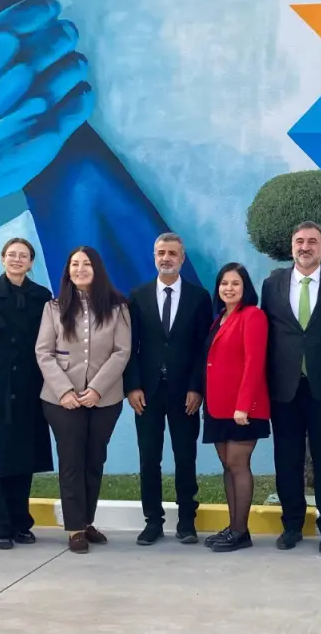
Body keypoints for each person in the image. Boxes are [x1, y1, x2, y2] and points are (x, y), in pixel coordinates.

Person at [261, 221, 321, 554]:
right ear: (291, 246)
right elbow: (266, 336)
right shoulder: (272, 285)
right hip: (284, 388)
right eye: (299, 241)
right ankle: (291, 525)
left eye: (312, 241)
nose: (305, 247)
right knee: (287, 459)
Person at [36, 246, 132, 554]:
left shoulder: (117, 308)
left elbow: (122, 352)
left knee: (94, 460)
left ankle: (87, 520)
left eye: (86, 264)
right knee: (71, 461)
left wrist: (97, 389)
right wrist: (65, 391)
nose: (80, 269)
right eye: (74, 264)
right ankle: (75, 527)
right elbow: (43, 353)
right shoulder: (54, 307)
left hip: (104, 399)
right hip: (61, 400)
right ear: (67, 270)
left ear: (97, 268)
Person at [0, 237, 54, 550]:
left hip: (29, 390)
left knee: (22, 460)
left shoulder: (42, 297)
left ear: (31, 262)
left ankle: (19, 524)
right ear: (3, 259)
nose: (17, 260)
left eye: (23, 256)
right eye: (12, 255)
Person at [125, 233, 213, 545]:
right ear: (154, 257)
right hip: (146, 393)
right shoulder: (138, 296)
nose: (166, 258)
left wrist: (196, 387)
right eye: (161, 252)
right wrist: (132, 386)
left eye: (172, 253)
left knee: (185, 457)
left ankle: (187, 521)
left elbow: (203, 348)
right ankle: (153, 521)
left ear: (182, 258)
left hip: (185, 393)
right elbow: (129, 346)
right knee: (149, 458)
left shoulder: (199, 297)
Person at [202, 262, 271, 552]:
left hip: (243, 408)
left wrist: (243, 406)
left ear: (245, 288)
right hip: (217, 406)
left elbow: (254, 363)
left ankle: (241, 532)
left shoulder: (252, 315)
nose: (228, 288)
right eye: (224, 283)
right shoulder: (219, 318)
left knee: (238, 464)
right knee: (227, 466)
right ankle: (233, 527)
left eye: (235, 283)